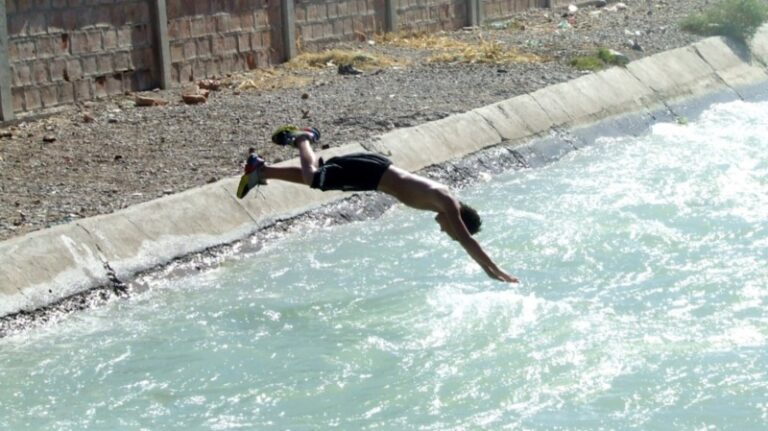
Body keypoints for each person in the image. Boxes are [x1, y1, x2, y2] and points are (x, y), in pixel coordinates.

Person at [237, 125, 518, 283]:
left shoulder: (443, 205)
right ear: (459, 222)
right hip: (372, 171)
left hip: (372, 179)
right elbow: (468, 242)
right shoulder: (447, 204)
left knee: (320, 180)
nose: (444, 231)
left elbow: (465, 239)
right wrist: (494, 270)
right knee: (313, 178)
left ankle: (261, 171)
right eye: (450, 231)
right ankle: (303, 139)